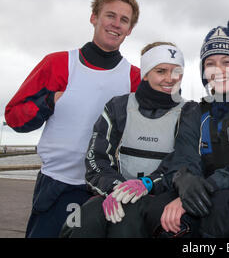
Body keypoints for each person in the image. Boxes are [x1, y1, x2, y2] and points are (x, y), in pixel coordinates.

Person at [72, 21, 229, 238]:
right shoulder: (198, 111)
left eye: (227, 62)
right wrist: (184, 179)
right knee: (155, 211)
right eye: (210, 63)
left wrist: (201, 187)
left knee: (223, 208)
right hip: (204, 193)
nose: (218, 70)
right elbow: (184, 156)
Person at [4, 0, 141, 238]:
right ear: (94, 17)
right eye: (110, 15)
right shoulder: (57, 63)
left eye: (124, 20)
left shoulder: (134, 77)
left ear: (130, 29)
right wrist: (49, 100)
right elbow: (14, 116)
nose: (116, 24)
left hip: (104, 192)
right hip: (57, 185)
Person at [60, 42, 199, 237]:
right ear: (145, 73)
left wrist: (148, 183)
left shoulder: (190, 111)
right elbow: (97, 159)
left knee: (126, 226)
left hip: (161, 196)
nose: (170, 79)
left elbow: (184, 161)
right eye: (161, 71)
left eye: (177, 72)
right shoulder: (118, 106)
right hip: (115, 192)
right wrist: (116, 189)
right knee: (83, 222)